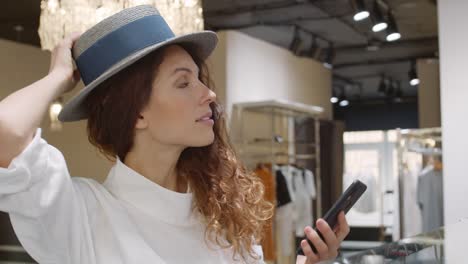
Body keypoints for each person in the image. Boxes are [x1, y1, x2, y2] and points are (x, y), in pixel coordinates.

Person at [0, 5, 349, 264]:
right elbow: (6, 131)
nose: (209, 95)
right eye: (183, 82)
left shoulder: (222, 215)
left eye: (199, 78)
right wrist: (57, 78)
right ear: (136, 113)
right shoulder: (80, 214)